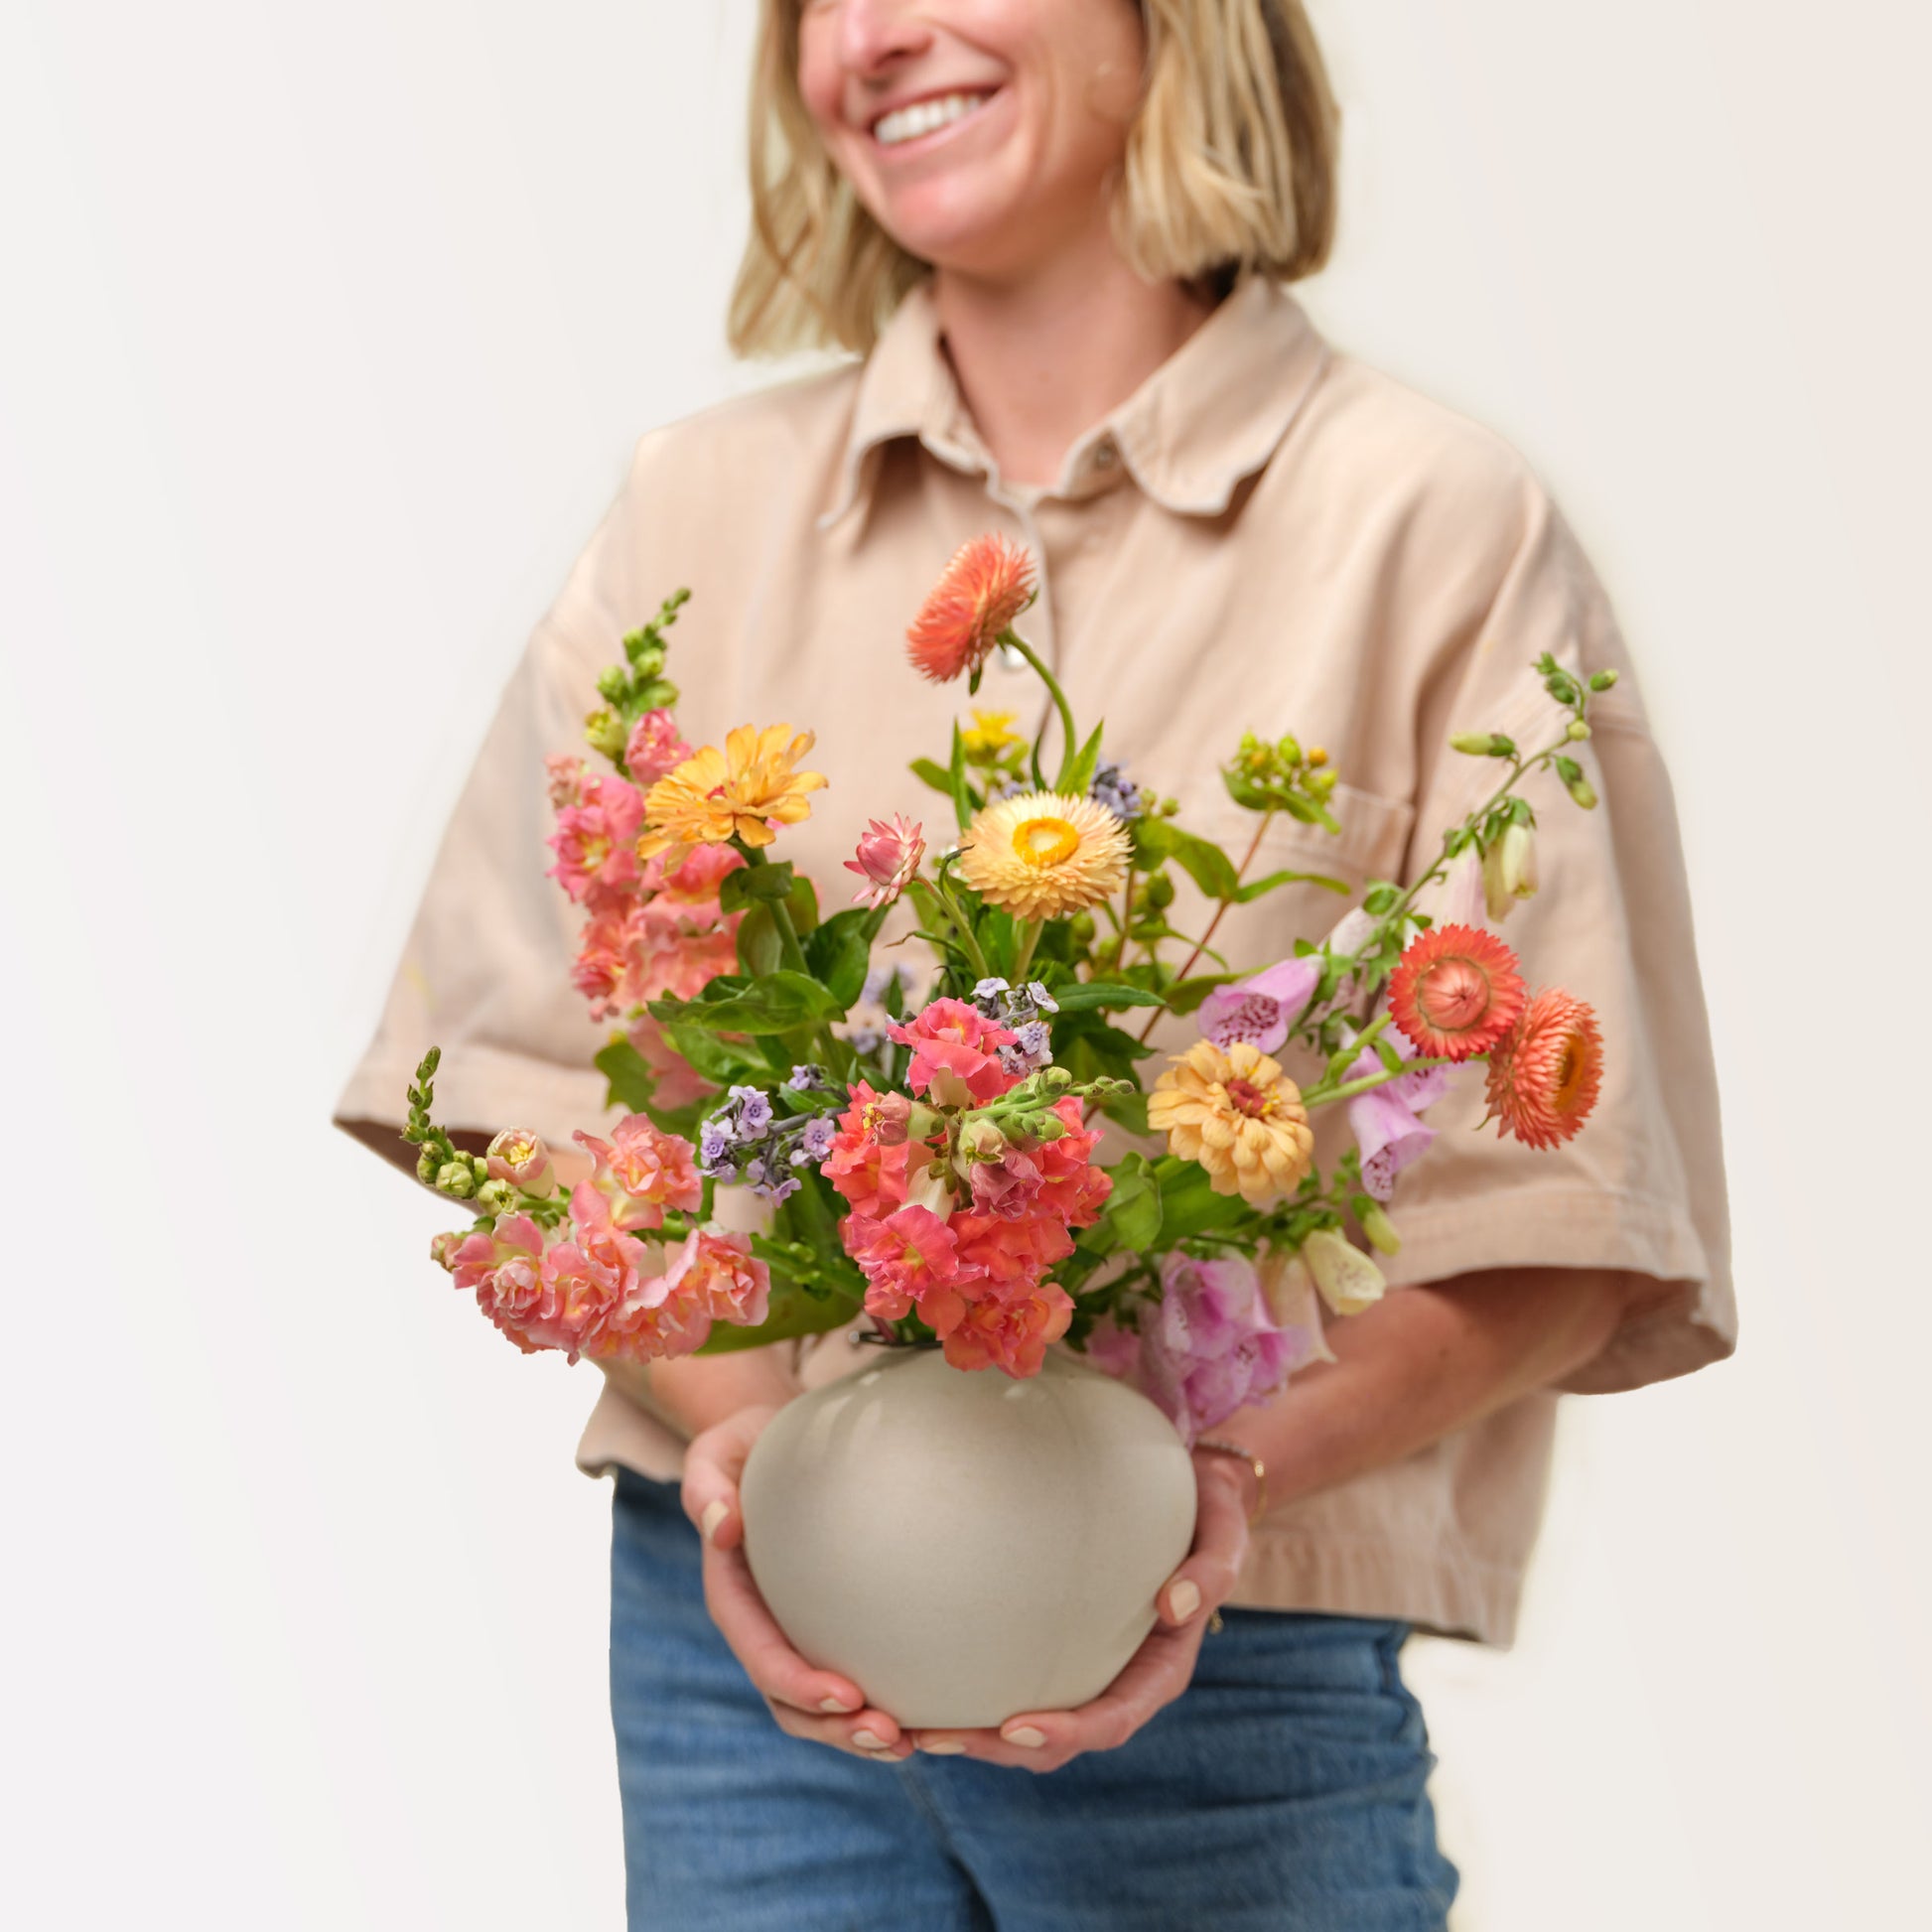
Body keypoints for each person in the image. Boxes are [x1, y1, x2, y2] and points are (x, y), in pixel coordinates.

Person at [334, 2, 1734, 1925]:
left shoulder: (1426, 520)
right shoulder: (694, 509)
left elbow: (1558, 1208)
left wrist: (1194, 1497)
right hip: (735, 1676)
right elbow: (518, 1081)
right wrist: (766, 1473)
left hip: (1227, 1666)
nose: (876, 32)